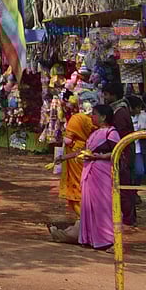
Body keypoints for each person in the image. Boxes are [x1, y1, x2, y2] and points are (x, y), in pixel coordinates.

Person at [49, 104, 122, 249]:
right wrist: (64, 157)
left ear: (103, 117)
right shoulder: (94, 133)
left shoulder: (111, 132)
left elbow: (117, 153)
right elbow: (84, 150)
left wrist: (99, 157)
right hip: (90, 172)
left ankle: (107, 239)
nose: (92, 117)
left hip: (103, 173)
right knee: (89, 205)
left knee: (103, 206)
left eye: (94, 114)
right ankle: (91, 238)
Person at [102, 82, 138, 225]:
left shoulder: (120, 112)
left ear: (113, 95)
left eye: (106, 94)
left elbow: (121, 136)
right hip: (123, 153)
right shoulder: (118, 110)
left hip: (123, 155)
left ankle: (128, 220)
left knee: (124, 190)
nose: (104, 97)